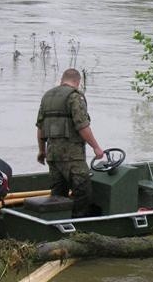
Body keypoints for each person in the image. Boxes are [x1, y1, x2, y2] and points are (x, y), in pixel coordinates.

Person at [35, 68, 104, 217]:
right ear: (78, 82)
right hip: (72, 155)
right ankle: (79, 226)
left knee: (58, 192)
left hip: (53, 154)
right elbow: (82, 126)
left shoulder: (47, 96)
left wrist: (42, 151)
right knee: (83, 191)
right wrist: (96, 147)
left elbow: (40, 128)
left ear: (62, 79)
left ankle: (57, 221)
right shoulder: (74, 97)